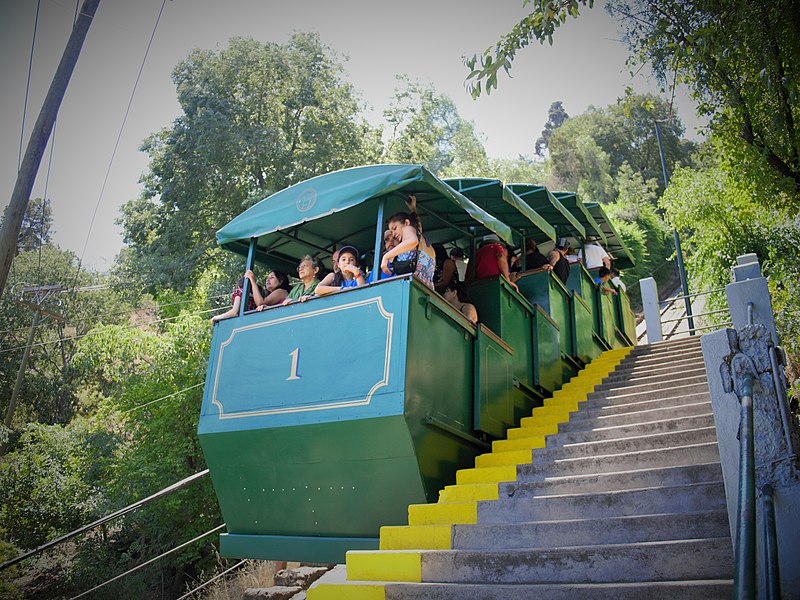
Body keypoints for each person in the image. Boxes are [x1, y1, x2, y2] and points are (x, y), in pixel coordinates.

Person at [381, 211, 436, 288]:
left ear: (406, 222)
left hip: (412, 286)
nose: (393, 234)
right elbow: (418, 228)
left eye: (395, 228)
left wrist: (385, 257)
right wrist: (413, 210)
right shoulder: (421, 238)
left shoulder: (407, 228)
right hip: (426, 287)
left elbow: (413, 241)